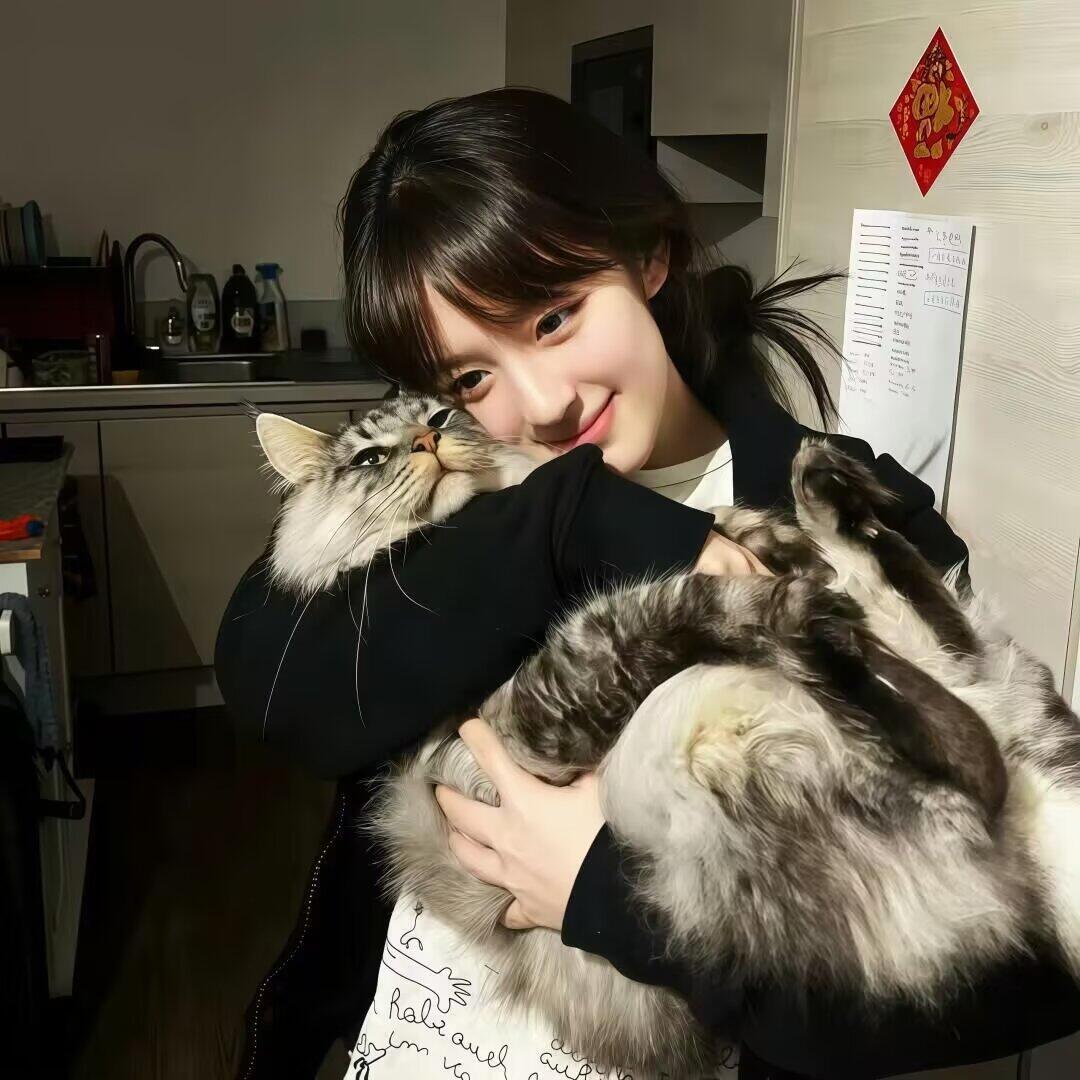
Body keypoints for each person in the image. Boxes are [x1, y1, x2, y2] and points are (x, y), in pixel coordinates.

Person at [215, 88, 1080, 1079]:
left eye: (555, 317)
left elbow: (1026, 974)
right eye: (470, 377)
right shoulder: (456, 496)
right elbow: (267, 677)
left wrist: (605, 896)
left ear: (649, 259)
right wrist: (578, 520)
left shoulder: (849, 519)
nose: (542, 403)